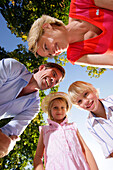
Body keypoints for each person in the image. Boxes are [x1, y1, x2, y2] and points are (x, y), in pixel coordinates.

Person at [0, 58, 65, 158]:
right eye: (53, 74)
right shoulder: (13, 67)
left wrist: (8, 143)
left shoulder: (33, 107)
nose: (53, 80)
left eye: (56, 82)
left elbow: (11, 133)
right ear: (42, 68)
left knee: (4, 145)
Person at [28, 0, 113, 68]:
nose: (53, 53)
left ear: (47, 27)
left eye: (46, 47)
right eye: (50, 54)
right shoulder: (75, 55)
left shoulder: (79, 4)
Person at [34, 92, 98, 170]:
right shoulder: (45, 130)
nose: (59, 110)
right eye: (55, 107)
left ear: (66, 109)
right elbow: (38, 157)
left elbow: (85, 149)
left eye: (62, 107)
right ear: (50, 110)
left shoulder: (72, 127)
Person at [68, 81, 113, 158]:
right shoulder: (90, 126)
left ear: (93, 90)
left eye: (86, 94)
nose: (85, 101)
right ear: (78, 106)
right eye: (79, 101)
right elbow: (110, 151)